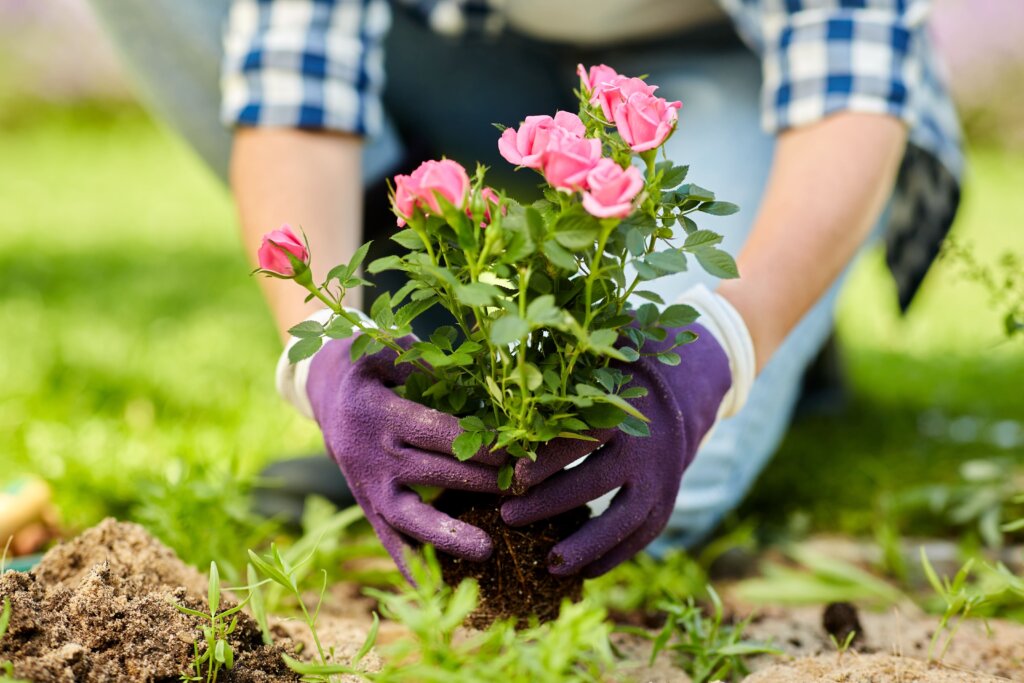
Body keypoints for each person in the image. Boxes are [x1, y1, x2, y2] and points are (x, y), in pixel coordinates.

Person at [88, 0, 962, 575]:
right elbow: (297, 90)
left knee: (613, 491)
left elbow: (851, 87)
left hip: (729, 69)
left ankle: (777, 325)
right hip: (468, 57)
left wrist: (730, 341)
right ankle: (433, 353)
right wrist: (322, 353)